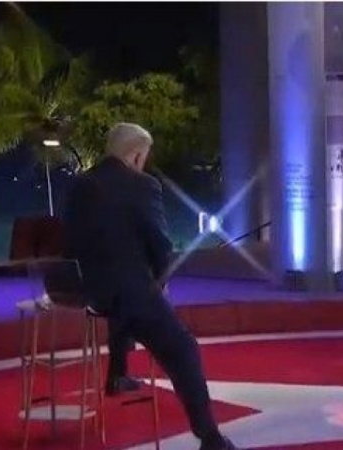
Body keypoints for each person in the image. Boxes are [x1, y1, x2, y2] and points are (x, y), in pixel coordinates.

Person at [63, 123, 239, 450]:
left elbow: (71, 242)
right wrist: (160, 282)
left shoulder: (80, 185)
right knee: (183, 348)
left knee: (127, 306)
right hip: (128, 293)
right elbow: (161, 247)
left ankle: (117, 373)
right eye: (143, 157)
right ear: (136, 155)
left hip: (90, 291)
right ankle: (210, 437)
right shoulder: (143, 185)